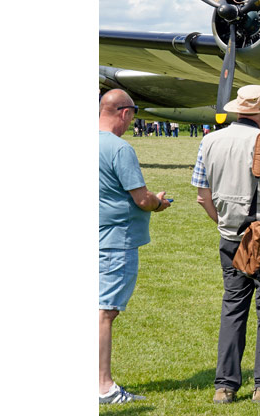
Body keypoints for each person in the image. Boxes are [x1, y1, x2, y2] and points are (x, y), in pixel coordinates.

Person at [191, 85, 260, 404]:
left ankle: (224, 387)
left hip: (230, 236)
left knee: (233, 308)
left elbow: (202, 195)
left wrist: (224, 222)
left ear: (240, 110)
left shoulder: (209, 139)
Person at [99, 90, 171, 405]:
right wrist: (160, 201)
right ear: (125, 113)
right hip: (117, 239)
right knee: (105, 312)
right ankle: (103, 387)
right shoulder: (120, 149)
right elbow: (142, 199)